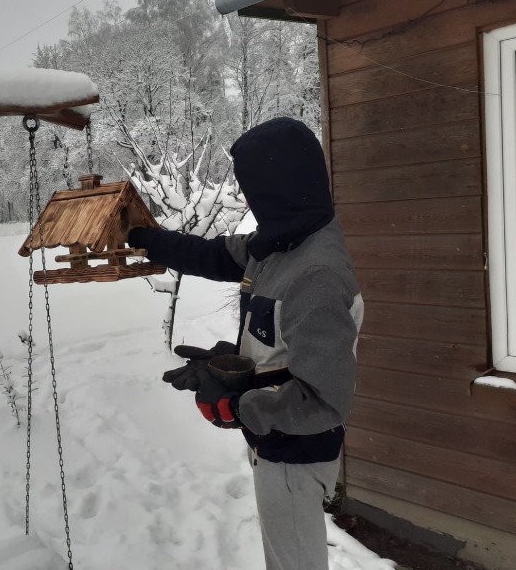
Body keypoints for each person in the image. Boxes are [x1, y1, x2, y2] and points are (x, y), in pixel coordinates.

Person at [127, 117, 363, 570]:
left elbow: (325, 401)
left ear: (276, 187)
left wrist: (237, 407)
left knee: (293, 564)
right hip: (275, 438)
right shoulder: (287, 239)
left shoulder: (314, 275)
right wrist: (147, 241)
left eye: (254, 188)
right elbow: (219, 256)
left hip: (295, 452)